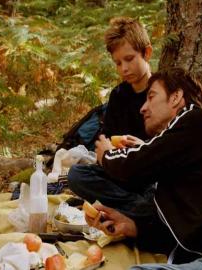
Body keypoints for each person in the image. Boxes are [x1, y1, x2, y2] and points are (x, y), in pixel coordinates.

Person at [88, 68, 202, 268]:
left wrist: (106, 155)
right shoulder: (181, 153)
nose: (143, 108)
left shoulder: (195, 118)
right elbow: (178, 233)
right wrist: (132, 227)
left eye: (151, 97)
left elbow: (132, 165)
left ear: (175, 97)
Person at [67, 17, 154, 218]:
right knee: (76, 175)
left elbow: (171, 147)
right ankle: (138, 208)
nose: (124, 68)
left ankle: (137, 209)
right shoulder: (119, 95)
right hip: (121, 173)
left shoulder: (161, 92)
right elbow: (105, 138)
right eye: (118, 63)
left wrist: (143, 148)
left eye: (129, 59)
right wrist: (106, 148)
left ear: (146, 53)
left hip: (150, 173)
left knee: (158, 188)